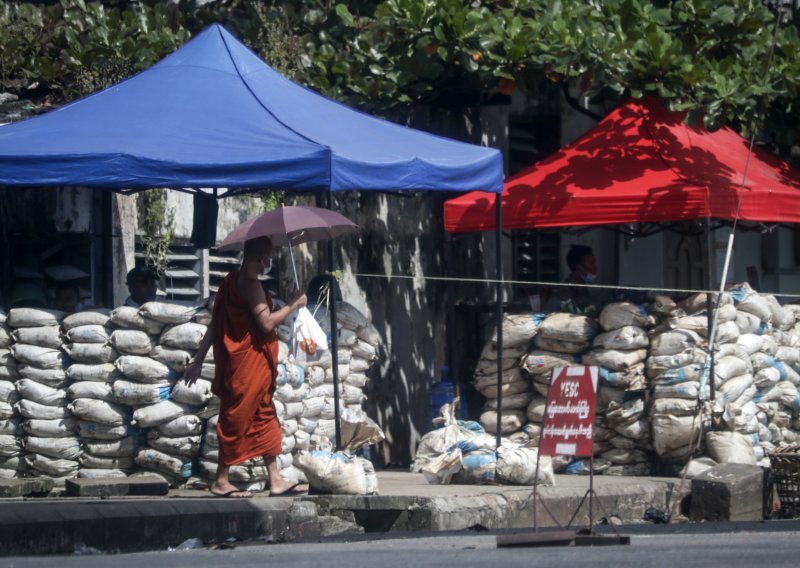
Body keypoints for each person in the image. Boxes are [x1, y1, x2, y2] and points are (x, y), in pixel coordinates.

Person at [183, 236, 308, 498]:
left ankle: (275, 480)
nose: (269, 262)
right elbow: (266, 324)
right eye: (268, 257)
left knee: (263, 414)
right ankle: (221, 480)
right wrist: (293, 305)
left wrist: (198, 359)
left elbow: (215, 325)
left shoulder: (229, 282)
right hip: (246, 364)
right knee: (237, 416)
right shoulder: (250, 286)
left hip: (250, 364)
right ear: (261, 258)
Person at [553, 245, 603, 315]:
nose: (595, 267)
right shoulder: (566, 288)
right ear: (578, 267)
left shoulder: (581, 285)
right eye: (592, 263)